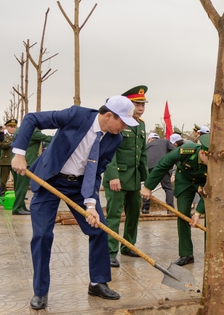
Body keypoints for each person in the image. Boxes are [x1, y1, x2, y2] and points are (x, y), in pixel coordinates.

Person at [11, 95, 137, 310]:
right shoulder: (76, 116)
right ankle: (40, 292)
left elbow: (96, 171)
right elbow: (32, 118)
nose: (125, 127)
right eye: (123, 121)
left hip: (79, 187)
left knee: (99, 229)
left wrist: (90, 204)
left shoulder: (115, 139)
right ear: (109, 115)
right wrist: (19, 153)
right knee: (42, 236)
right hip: (49, 179)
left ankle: (98, 282)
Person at [140, 134, 210, 266]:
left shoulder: (216, 163)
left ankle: (210, 253)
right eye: (209, 159)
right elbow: (163, 165)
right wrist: (148, 186)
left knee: (211, 214)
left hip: (204, 184)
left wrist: (198, 213)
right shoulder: (186, 150)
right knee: (182, 214)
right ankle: (186, 254)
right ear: (202, 152)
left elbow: (210, 192)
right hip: (184, 181)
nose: (211, 163)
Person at [104, 85, 149, 268]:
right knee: (114, 215)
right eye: (137, 104)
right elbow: (109, 151)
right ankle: (109, 251)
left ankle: (128, 246)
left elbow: (142, 154)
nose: (140, 108)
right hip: (118, 178)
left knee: (134, 214)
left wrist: (147, 181)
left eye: (143, 104)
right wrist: (113, 175)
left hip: (135, 178)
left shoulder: (142, 124)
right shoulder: (118, 122)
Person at [11, 128, 52, 215]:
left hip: (15, 161)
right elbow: (48, 138)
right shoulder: (33, 131)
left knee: (18, 187)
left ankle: (21, 206)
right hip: (26, 162)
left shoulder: (18, 130)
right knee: (22, 187)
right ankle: (17, 208)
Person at [141, 132, 175, 214]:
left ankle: (145, 209)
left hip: (149, 166)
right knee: (168, 188)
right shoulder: (165, 141)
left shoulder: (146, 145)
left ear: (149, 139)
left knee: (147, 187)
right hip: (162, 166)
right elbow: (175, 151)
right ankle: (170, 209)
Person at [0, 119, 18, 194]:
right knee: (3, 180)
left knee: (17, 179)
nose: (12, 128)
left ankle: (17, 194)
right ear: (6, 127)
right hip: (5, 161)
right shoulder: (3, 136)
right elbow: (2, 145)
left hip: (15, 161)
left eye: (14, 127)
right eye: (10, 126)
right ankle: (2, 193)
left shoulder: (15, 136)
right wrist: (13, 142)